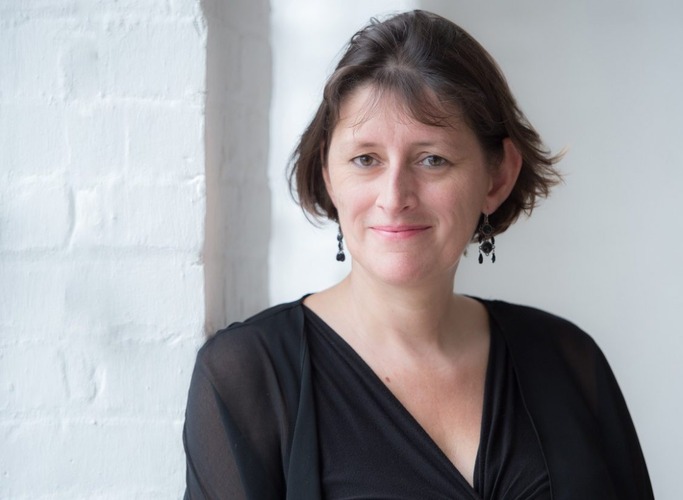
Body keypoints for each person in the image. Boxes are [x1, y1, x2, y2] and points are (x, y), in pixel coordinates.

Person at [183, 10, 654, 500]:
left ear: (497, 178)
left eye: (432, 159)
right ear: (328, 173)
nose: (394, 196)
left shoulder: (568, 360)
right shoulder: (248, 379)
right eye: (366, 159)